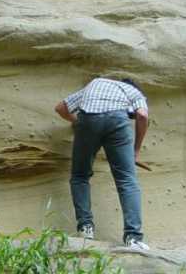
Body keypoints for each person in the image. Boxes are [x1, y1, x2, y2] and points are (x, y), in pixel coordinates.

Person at [54, 77, 150, 250]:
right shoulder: (134, 92)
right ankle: (133, 237)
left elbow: (60, 108)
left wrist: (78, 123)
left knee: (80, 176)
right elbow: (142, 115)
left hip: (88, 119)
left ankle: (85, 228)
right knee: (127, 180)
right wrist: (135, 151)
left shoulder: (95, 84)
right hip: (117, 123)